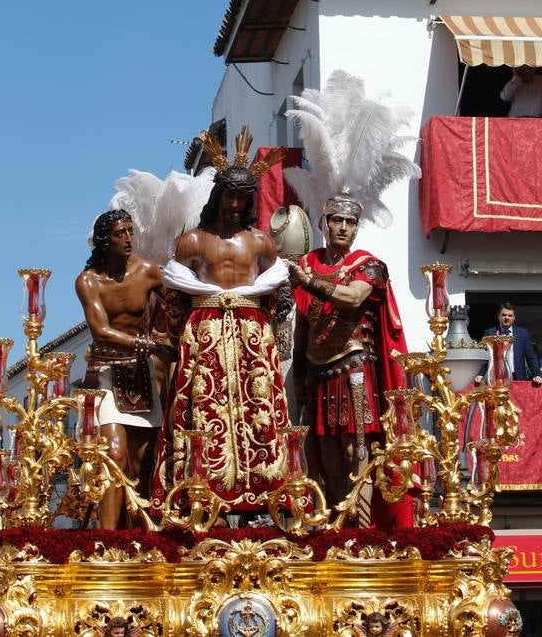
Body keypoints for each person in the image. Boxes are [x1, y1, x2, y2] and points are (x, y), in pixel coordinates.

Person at [151, 130, 290, 512]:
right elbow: (175, 299)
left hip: (251, 334)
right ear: (217, 196)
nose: (234, 204)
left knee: (256, 409)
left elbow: (275, 296)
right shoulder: (193, 241)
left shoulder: (261, 242)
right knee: (204, 410)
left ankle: (263, 490)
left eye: (242, 197)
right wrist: (182, 341)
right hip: (205, 330)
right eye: (229, 195)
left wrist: (270, 336)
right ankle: (198, 491)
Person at [288, 195, 409, 521]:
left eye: (350, 222)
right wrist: (298, 372)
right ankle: (339, 525)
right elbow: (303, 322)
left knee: (356, 450)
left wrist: (310, 282)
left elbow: (353, 297)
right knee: (325, 455)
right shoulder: (308, 263)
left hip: (353, 367)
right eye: (337, 220)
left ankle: (362, 528)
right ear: (324, 223)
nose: (343, 228)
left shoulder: (368, 265)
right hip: (318, 372)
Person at [76, 209, 170, 529]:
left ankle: (139, 539)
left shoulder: (147, 271)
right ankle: (108, 538)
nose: (129, 239)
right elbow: (100, 330)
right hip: (106, 371)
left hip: (142, 376)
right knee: (114, 456)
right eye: (121, 234)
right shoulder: (88, 281)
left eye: (131, 232)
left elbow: (176, 310)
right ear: (106, 240)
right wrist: (151, 346)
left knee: (144, 466)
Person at [476, 303, 542, 385]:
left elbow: (531, 356)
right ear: (498, 316)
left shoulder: (523, 333)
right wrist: (480, 374)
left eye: (510, 315)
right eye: (504, 315)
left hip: (517, 377)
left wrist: (537, 374)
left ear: (514, 318)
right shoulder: (490, 332)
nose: (507, 318)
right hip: (496, 377)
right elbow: (486, 356)